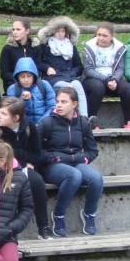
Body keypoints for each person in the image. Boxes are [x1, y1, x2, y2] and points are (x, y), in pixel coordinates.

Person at [0, 96, 53, 239]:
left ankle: (43, 227)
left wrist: (12, 154)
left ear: (16, 118)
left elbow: (36, 156)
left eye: (4, 114)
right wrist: (20, 157)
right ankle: (4, 229)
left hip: (21, 168)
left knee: (37, 182)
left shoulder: (29, 127)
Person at [39, 87, 103, 237]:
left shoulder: (83, 123)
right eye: (57, 102)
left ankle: (89, 214)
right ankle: (58, 215)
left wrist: (83, 158)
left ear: (74, 104)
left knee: (96, 178)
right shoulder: (47, 123)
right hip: (53, 165)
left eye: (64, 102)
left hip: (76, 162)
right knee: (74, 175)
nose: (59, 105)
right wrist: (52, 157)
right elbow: (37, 150)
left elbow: (92, 150)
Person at [81, 22, 130, 129]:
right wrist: (106, 79)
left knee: (127, 88)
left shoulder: (119, 48)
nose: (101, 38)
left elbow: (120, 68)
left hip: (113, 78)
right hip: (92, 78)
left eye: (105, 36)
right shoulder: (89, 47)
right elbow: (88, 69)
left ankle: (128, 122)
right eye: (99, 35)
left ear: (112, 36)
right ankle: (92, 121)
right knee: (98, 88)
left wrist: (114, 79)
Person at [37, 16, 89, 119]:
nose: (60, 34)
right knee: (68, 86)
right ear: (52, 32)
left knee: (78, 85)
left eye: (63, 31)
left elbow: (79, 65)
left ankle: (84, 118)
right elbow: (38, 63)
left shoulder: (70, 45)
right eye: (58, 31)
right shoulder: (45, 46)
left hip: (70, 76)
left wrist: (73, 72)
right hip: (54, 78)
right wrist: (47, 68)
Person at [6, 57, 55, 126]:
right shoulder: (12, 89)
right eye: (22, 77)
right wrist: (25, 101)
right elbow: (14, 112)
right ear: (17, 77)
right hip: (24, 126)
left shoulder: (44, 85)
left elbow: (52, 107)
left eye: (29, 76)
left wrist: (42, 123)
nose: (26, 80)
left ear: (34, 76)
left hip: (45, 124)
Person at [0, 17, 42, 92]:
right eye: (13, 29)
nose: (15, 32)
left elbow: (38, 68)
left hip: (32, 83)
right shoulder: (7, 49)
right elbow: (4, 73)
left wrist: (29, 80)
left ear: (27, 31)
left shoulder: (35, 47)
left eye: (18, 29)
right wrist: (20, 79)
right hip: (13, 84)